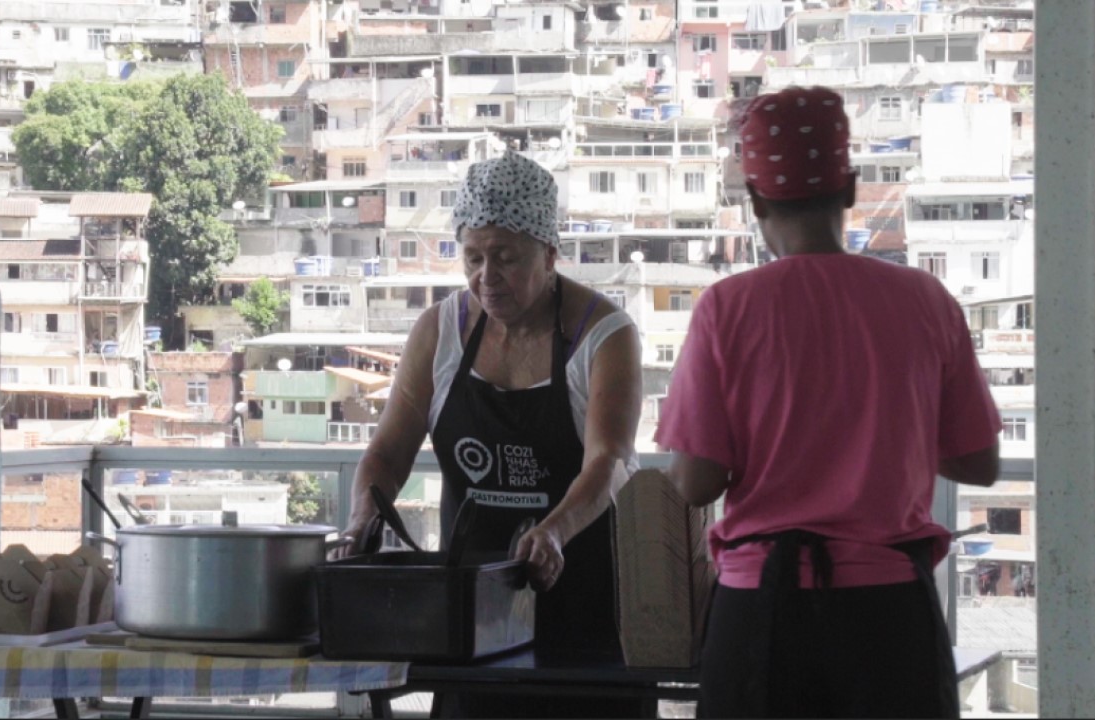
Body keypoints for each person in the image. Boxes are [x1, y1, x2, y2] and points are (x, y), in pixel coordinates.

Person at [655, 86, 1002, 719]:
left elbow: (696, 482)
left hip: (762, 613)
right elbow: (978, 463)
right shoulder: (926, 300)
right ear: (849, 188)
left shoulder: (726, 309)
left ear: (756, 200)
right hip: (890, 612)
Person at [335, 151, 649, 718]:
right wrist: (364, 516)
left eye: (506, 257)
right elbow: (386, 451)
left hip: (587, 614)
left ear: (549, 254)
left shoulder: (602, 335)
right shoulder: (440, 331)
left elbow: (611, 461)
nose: (487, 277)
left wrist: (553, 533)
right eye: (473, 257)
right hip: (470, 622)